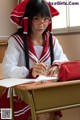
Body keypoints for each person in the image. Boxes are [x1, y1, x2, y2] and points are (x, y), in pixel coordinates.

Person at [1, 0, 68, 120]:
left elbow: (64, 60)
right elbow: (7, 70)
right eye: (36, 18)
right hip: (21, 92)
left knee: (52, 114)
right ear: (27, 19)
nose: (42, 23)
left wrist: (57, 65)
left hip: (45, 90)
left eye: (46, 18)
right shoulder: (16, 41)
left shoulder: (52, 40)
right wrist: (29, 72)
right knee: (44, 114)